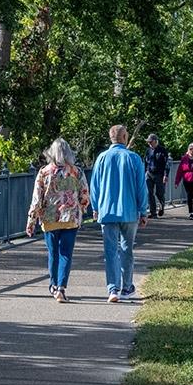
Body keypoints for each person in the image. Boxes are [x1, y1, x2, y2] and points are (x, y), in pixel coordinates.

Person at [25, 137, 90, 303]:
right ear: (69, 153)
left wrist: (31, 220)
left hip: (50, 217)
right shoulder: (77, 172)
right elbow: (84, 195)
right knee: (66, 253)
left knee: (53, 252)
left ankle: (53, 285)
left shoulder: (44, 172)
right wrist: (82, 208)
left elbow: (37, 198)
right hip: (70, 217)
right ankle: (61, 288)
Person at [90, 124, 148, 303]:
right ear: (124, 137)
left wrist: (95, 207)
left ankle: (112, 289)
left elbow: (95, 186)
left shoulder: (102, 158)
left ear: (111, 138)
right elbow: (141, 187)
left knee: (110, 251)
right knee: (127, 249)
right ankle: (127, 286)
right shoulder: (134, 158)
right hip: (129, 211)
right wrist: (143, 210)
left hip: (107, 211)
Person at [173, 142, 193, 219]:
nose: (192, 150)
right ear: (188, 149)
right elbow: (180, 171)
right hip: (187, 180)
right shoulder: (184, 159)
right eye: (190, 149)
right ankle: (191, 213)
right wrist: (177, 182)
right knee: (189, 196)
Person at [144, 133, 169, 218]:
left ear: (155, 141)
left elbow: (167, 163)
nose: (149, 143)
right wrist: (144, 173)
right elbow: (145, 162)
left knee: (159, 193)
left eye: (150, 142)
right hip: (149, 174)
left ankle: (162, 205)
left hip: (159, 174)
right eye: (148, 142)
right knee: (149, 193)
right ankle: (153, 212)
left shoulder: (162, 150)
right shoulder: (148, 151)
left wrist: (166, 175)